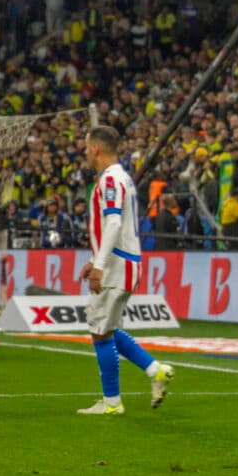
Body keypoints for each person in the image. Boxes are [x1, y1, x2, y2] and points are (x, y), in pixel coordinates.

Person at [77, 125, 175, 415]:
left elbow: (114, 223)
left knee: (99, 331)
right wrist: (96, 259)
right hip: (124, 262)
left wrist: (100, 265)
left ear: (95, 148)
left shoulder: (110, 180)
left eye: (86, 146)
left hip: (117, 266)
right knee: (105, 327)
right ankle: (155, 370)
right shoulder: (122, 178)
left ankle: (111, 402)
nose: (85, 151)